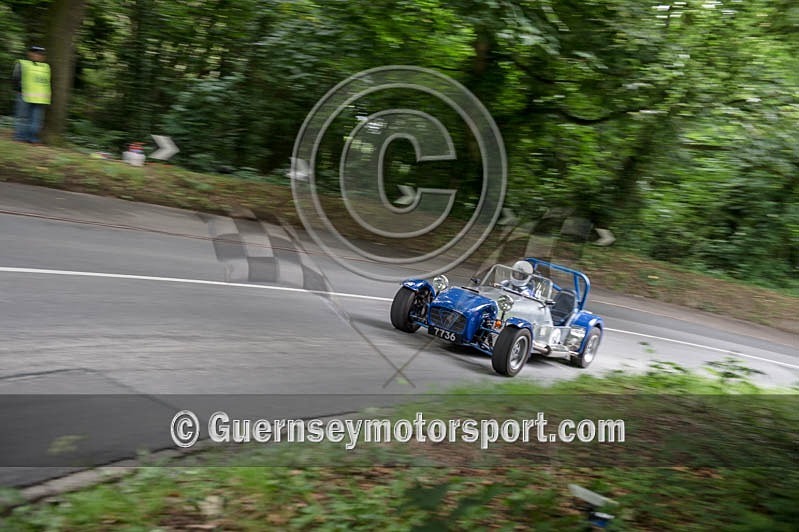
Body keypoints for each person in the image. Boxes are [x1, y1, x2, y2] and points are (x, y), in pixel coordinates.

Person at [12, 45, 51, 144]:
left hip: (40, 98)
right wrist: (19, 90)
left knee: (36, 120)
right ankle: (20, 137)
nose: (38, 56)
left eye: (41, 54)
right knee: (23, 118)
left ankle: (32, 138)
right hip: (24, 95)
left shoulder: (46, 67)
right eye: (36, 53)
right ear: (30, 54)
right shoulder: (22, 63)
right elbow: (15, 79)